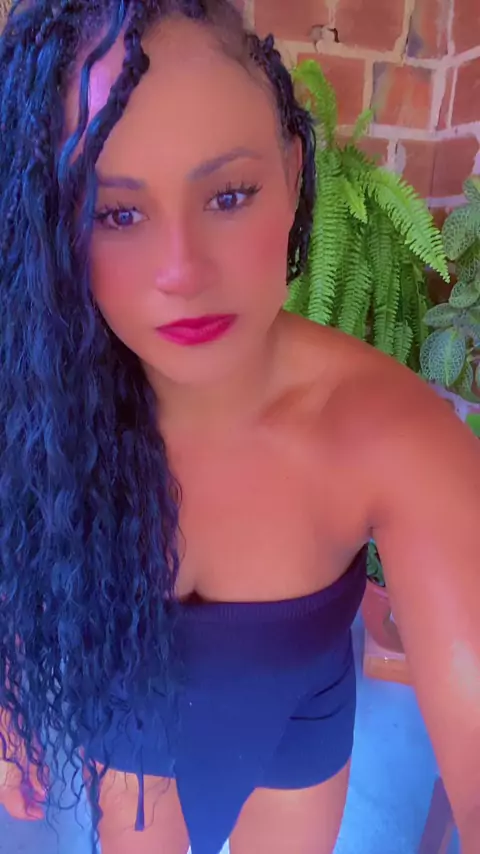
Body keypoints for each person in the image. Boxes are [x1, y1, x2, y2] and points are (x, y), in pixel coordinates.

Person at [0, 1, 479, 853]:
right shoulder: (34, 404)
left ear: (292, 173)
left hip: (298, 728)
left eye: (228, 195)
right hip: (127, 718)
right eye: (115, 213)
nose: (182, 271)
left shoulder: (393, 437)